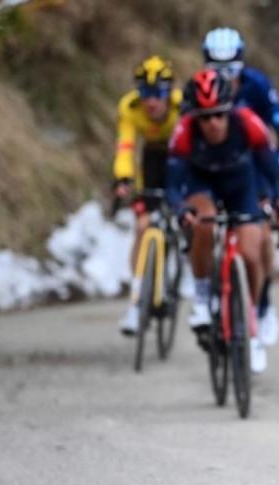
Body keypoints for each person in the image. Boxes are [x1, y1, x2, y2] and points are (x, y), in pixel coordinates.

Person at [167, 70, 279, 374]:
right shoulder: (184, 131)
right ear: (194, 116)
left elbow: (275, 172)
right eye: (205, 117)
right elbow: (172, 183)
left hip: (241, 185)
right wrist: (181, 208)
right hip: (202, 185)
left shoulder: (248, 123)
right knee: (205, 223)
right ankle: (201, 297)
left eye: (220, 115)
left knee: (252, 253)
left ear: (229, 110)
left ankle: (250, 323)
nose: (213, 123)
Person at [203, 27, 279, 348]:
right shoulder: (201, 91)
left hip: (256, 166)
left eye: (231, 69)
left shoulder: (257, 85)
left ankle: (263, 305)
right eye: (217, 69)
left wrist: (276, 177)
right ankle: (209, 288)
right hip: (214, 166)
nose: (225, 76)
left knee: (261, 236)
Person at [113, 55, 184, 335]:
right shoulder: (130, 108)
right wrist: (124, 179)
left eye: (157, 94)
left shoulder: (183, 107)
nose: (151, 102)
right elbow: (126, 148)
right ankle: (137, 300)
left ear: (168, 94)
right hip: (151, 161)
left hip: (180, 159)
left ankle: (177, 270)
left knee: (184, 220)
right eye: (145, 93)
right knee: (143, 227)